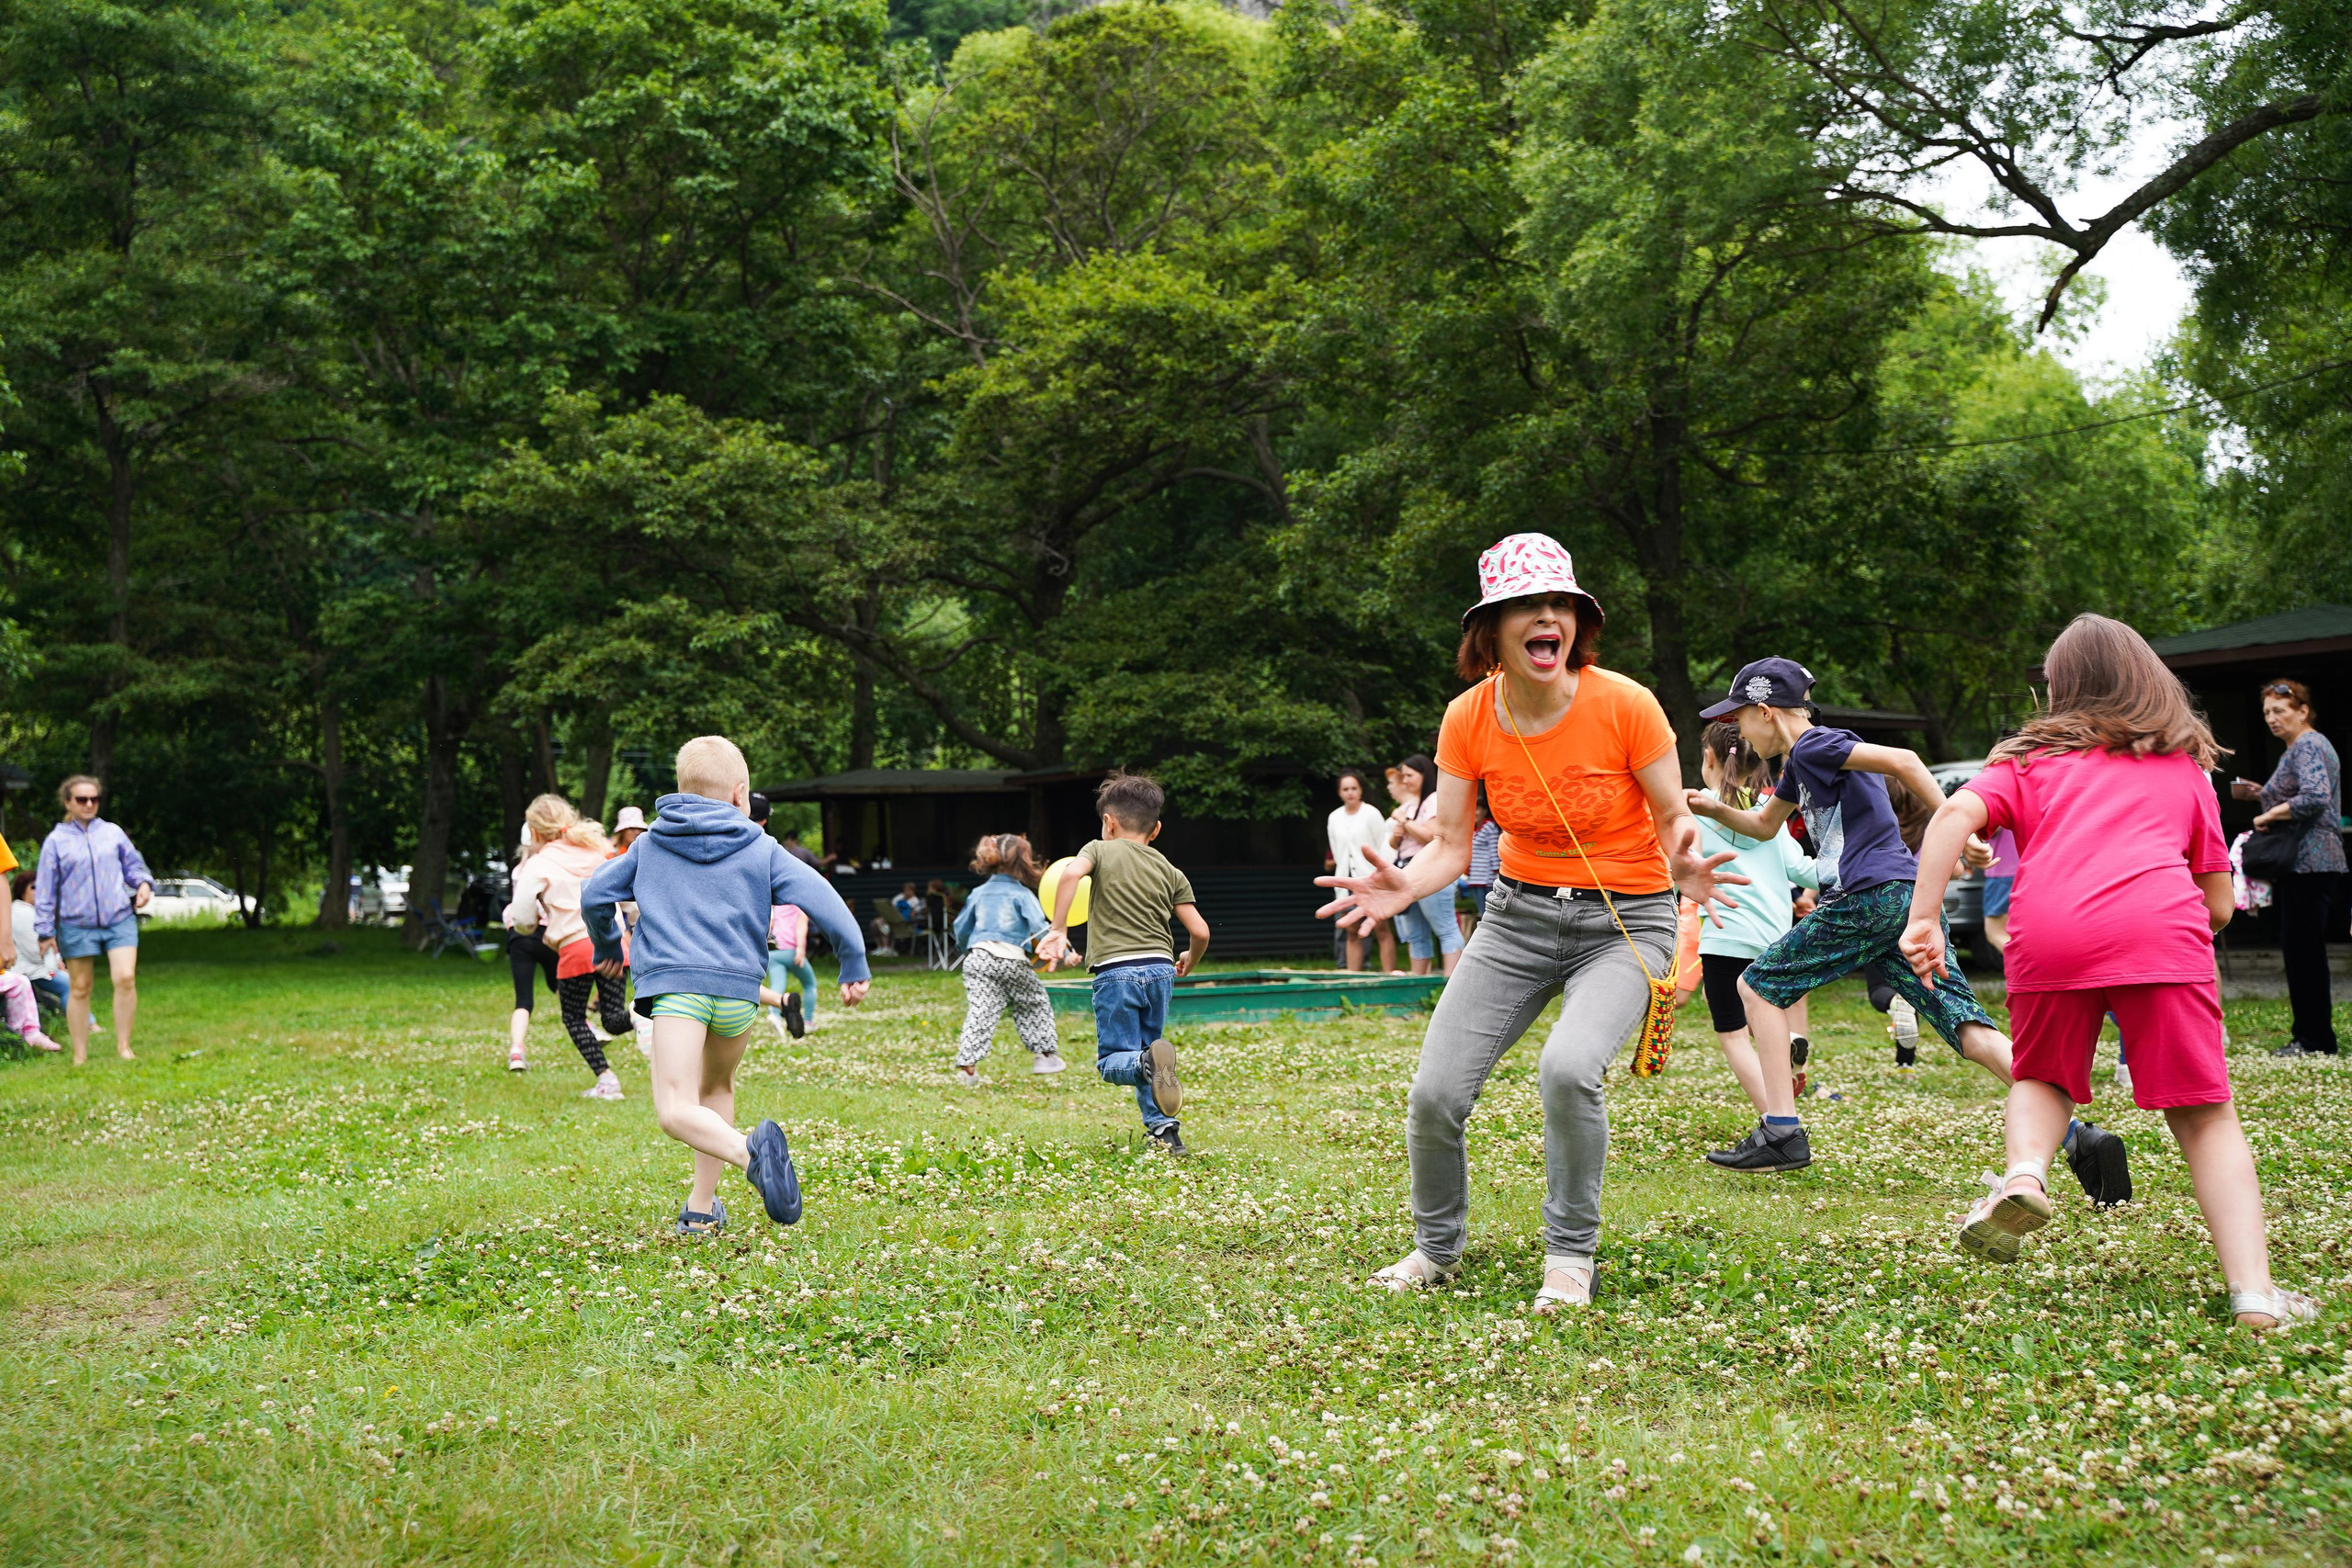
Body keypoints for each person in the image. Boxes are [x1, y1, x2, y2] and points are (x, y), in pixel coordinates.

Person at [1318, 533, 1743, 1313]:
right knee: (1434, 1095)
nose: (1549, 619)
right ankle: (1436, 1249)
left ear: (1578, 622)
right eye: (1529, 606)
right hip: (1514, 919)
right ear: (1493, 629)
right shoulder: (1468, 717)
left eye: (1562, 606)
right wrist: (1403, 889)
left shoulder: (1626, 704)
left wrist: (1682, 859)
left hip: (1625, 920)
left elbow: (1673, 812)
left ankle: (1570, 1254)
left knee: (1568, 1067)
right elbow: (1452, 843)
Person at [1903, 615, 2314, 1328]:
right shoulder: (2184, 772)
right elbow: (2217, 902)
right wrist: (2173, 934)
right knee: (2207, 1115)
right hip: (2159, 933)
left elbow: (1949, 820)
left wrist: (1924, 920)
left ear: (2058, 691)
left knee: (2042, 1077)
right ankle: (2255, 1294)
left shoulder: (2024, 764)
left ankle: (2025, 1173)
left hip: (2049, 933)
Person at [1681, 661, 2131, 1188]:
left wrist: (1959, 828)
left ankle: (1781, 1131)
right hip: (1908, 900)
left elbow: (1908, 760)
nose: (1739, 733)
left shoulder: (1813, 746)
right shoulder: (1803, 763)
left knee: (1756, 987)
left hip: (1867, 898)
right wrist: (1708, 808)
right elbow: (1761, 825)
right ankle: (2079, 1135)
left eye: (1740, 719)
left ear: (1765, 711)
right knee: (1967, 1029)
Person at [582, 736, 871, 1237]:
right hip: (739, 993)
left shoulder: (648, 845)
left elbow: (594, 892)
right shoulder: (762, 847)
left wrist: (608, 945)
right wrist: (852, 960)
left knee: (674, 1110)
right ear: (740, 794)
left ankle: (749, 1153)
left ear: (680, 791)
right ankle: (700, 1207)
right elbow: (821, 895)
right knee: (715, 1086)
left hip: (678, 991)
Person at [1038, 773, 1211, 1156]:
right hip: (1161, 970)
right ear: (1157, 829)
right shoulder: (1171, 870)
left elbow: (1070, 873)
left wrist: (1059, 928)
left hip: (1117, 971)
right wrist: (1190, 960)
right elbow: (1200, 932)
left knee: (1116, 1060)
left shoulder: (1098, 849)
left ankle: (1148, 1062)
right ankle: (1166, 1131)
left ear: (1108, 822)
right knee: (1147, 1050)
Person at [1691, 721, 1819, 1112]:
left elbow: (1683, 864)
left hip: (1724, 931)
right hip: (1773, 938)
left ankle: (1778, 1120)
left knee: (1732, 1034)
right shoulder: (1769, 811)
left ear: (1709, 757)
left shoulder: (1696, 804)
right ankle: (1786, 1045)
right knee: (1760, 1014)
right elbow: (1804, 871)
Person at [2231, 677, 2344, 1056]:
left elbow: (2315, 797)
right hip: (2306, 861)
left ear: (2303, 711)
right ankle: (2311, 1036)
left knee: (2304, 953)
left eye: (2280, 711)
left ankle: (2314, 1040)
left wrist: (2269, 815)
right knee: (2302, 951)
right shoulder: (2299, 748)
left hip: (2311, 860)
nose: (2271, 719)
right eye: (2266, 713)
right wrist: (2263, 793)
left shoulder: (2309, 743)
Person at [504, 795, 630, 1100]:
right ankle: (642, 1015)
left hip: (575, 950)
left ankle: (607, 1080)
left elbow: (521, 918)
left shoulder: (538, 864)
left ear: (534, 832)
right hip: (614, 943)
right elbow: (628, 896)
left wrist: (530, 926)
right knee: (613, 1019)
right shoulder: (599, 850)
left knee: (573, 1017)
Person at [32, 774, 153, 1065]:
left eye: (94, 799)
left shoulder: (112, 832)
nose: (89, 804)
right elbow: (45, 890)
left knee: (125, 977)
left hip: (119, 919)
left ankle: (124, 1047)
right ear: (68, 802)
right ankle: (80, 1055)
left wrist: (144, 884)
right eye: (82, 799)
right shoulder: (56, 841)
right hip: (76, 924)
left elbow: (134, 866)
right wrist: (45, 931)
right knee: (80, 987)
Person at [951, 833, 1066, 1087]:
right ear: (1023, 862)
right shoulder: (1021, 894)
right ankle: (1045, 1056)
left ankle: (968, 1066)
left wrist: (966, 948)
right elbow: (1041, 928)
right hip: (1010, 959)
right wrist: (1064, 953)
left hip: (978, 960)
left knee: (981, 1011)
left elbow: (961, 927)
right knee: (1033, 1003)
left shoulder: (979, 893)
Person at [1386, 755, 1464, 977]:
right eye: (1403, 776)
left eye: (1410, 775)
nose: (1405, 781)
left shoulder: (1434, 799)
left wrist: (1404, 822)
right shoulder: (1410, 804)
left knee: (1445, 928)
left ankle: (1450, 985)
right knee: (1415, 933)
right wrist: (1397, 833)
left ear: (1424, 775)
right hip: (1406, 871)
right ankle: (1419, 987)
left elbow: (1430, 835)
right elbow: (1395, 844)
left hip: (1432, 871)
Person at [1326, 770, 1397, 973]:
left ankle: (1390, 975)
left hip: (1371, 878)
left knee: (1381, 927)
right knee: (1351, 929)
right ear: (1340, 792)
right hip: (1346, 880)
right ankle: (1353, 976)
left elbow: (1383, 845)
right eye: (1346, 789)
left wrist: (1383, 875)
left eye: (1354, 788)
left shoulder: (1371, 813)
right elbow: (1337, 849)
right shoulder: (1334, 817)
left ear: (1361, 790)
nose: (1350, 793)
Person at [11, 871, 67, 1018]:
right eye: (34, 887)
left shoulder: (35, 912)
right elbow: (35, 953)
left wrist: (58, 960)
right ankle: (88, 1024)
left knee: (75, 982)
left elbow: (50, 946)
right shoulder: (21, 913)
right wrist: (56, 962)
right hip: (32, 970)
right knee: (71, 985)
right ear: (22, 890)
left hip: (43, 967)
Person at [764, 901, 818, 1039]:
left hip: (774, 952)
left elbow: (769, 925)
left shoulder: (775, 903)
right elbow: (801, 923)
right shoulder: (798, 902)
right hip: (791, 951)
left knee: (777, 986)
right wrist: (800, 948)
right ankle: (808, 1022)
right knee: (810, 984)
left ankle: (775, 1016)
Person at [1463, 795, 1501, 926]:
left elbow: (1494, 849)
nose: (1475, 813)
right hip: (1475, 878)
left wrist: (1497, 872)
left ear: (1484, 810)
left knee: (1489, 911)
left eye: (1477, 809)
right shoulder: (1472, 830)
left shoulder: (1489, 827)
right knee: (1480, 911)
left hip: (1487, 878)